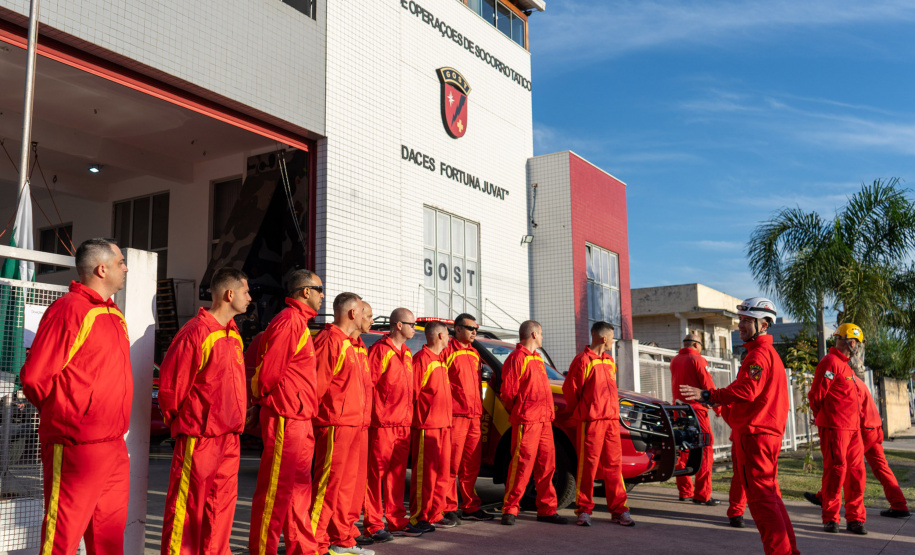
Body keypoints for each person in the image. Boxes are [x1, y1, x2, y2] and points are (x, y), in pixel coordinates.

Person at [21, 238, 132, 555]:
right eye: (121, 262)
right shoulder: (69, 310)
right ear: (102, 269)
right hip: (76, 446)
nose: (125, 269)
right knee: (62, 538)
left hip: (113, 444)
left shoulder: (112, 313)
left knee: (109, 539)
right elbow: (34, 378)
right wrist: (68, 415)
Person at [681, 297, 799, 555]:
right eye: (740, 319)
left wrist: (709, 394)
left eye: (747, 320)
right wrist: (717, 400)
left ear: (764, 325)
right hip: (763, 435)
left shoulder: (759, 354)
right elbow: (748, 390)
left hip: (755, 436)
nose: (740, 325)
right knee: (771, 498)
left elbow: (747, 390)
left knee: (762, 502)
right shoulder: (765, 353)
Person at [158, 267, 250, 555]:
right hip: (199, 437)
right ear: (229, 294)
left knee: (221, 508)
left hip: (229, 437)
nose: (249, 298)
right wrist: (185, 423)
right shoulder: (196, 332)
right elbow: (172, 388)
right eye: (246, 292)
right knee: (187, 510)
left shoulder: (233, 335)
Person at [248, 269, 324, 555]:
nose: (322, 295)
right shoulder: (289, 321)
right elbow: (268, 371)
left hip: (299, 416)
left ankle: (302, 547)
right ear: (305, 291)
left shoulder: (298, 322)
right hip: (286, 415)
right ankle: (262, 550)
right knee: (276, 489)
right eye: (319, 289)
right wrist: (260, 402)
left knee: (300, 487)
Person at [310, 293, 373, 555]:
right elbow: (317, 387)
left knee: (347, 488)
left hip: (354, 424)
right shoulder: (330, 340)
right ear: (352, 313)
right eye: (364, 313)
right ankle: (314, 543)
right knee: (327, 487)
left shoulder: (352, 344)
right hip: (335, 424)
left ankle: (341, 538)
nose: (368, 318)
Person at [804, 372, 910, 519]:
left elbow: (849, 409)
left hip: (863, 430)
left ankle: (824, 497)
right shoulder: (857, 381)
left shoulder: (849, 383)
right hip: (874, 427)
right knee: (881, 467)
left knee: (842, 464)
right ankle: (899, 504)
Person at [563, 321, 634, 527]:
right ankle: (584, 510)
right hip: (591, 422)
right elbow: (571, 390)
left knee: (614, 466)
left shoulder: (609, 361)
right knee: (588, 467)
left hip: (611, 421)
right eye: (612, 337)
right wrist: (582, 413)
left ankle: (619, 510)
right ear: (604, 339)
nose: (613, 341)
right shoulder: (583, 360)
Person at [500, 320, 568, 526]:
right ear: (534, 334)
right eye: (541, 333)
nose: (542, 337)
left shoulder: (536, 359)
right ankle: (510, 509)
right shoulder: (516, 358)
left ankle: (547, 510)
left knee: (547, 466)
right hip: (527, 420)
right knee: (521, 465)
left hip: (544, 421)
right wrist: (521, 411)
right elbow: (508, 393)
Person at [364, 309, 424, 541]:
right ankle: (373, 523)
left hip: (403, 424)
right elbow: (368, 386)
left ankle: (396, 520)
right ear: (398, 325)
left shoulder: (407, 353)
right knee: (375, 476)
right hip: (382, 425)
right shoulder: (380, 350)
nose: (414, 328)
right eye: (412, 324)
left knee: (397, 476)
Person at [807, 323, 867, 535]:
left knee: (856, 473)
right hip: (836, 429)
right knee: (836, 472)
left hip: (853, 430)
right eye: (856, 343)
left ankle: (855, 518)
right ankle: (831, 518)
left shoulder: (846, 366)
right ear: (849, 342)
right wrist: (823, 418)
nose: (857, 347)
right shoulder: (830, 362)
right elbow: (816, 396)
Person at [443, 313, 494, 522]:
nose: (474, 332)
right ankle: (448, 506)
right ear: (457, 329)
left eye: (476, 329)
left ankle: (470, 506)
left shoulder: (474, 353)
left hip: (474, 416)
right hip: (455, 416)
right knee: (451, 464)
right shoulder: (447, 351)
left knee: (471, 465)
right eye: (470, 328)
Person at [409, 321, 455, 531]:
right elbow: (412, 394)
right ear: (440, 336)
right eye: (447, 335)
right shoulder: (422, 359)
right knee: (425, 476)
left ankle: (436, 513)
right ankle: (419, 516)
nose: (449, 339)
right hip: (427, 426)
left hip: (443, 425)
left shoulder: (440, 360)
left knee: (442, 474)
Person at [670, 333, 721, 506]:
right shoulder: (698, 359)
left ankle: (685, 491)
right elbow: (708, 386)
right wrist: (718, 407)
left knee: (683, 449)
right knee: (705, 448)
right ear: (697, 345)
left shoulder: (675, 360)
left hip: (679, 410)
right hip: (696, 411)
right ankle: (702, 494)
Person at [346, 301, 375, 547]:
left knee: (355, 485)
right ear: (355, 314)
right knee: (337, 486)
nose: (372, 321)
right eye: (369, 316)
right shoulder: (336, 342)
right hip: (342, 424)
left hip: (361, 424)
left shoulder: (361, 347)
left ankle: (347, 533)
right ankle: (329, 538)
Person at [721, 404, 748, 528]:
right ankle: (736, 512)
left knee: (742, 476)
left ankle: (736, 512)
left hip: (749, 432)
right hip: (746, 433)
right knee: (741, 476)